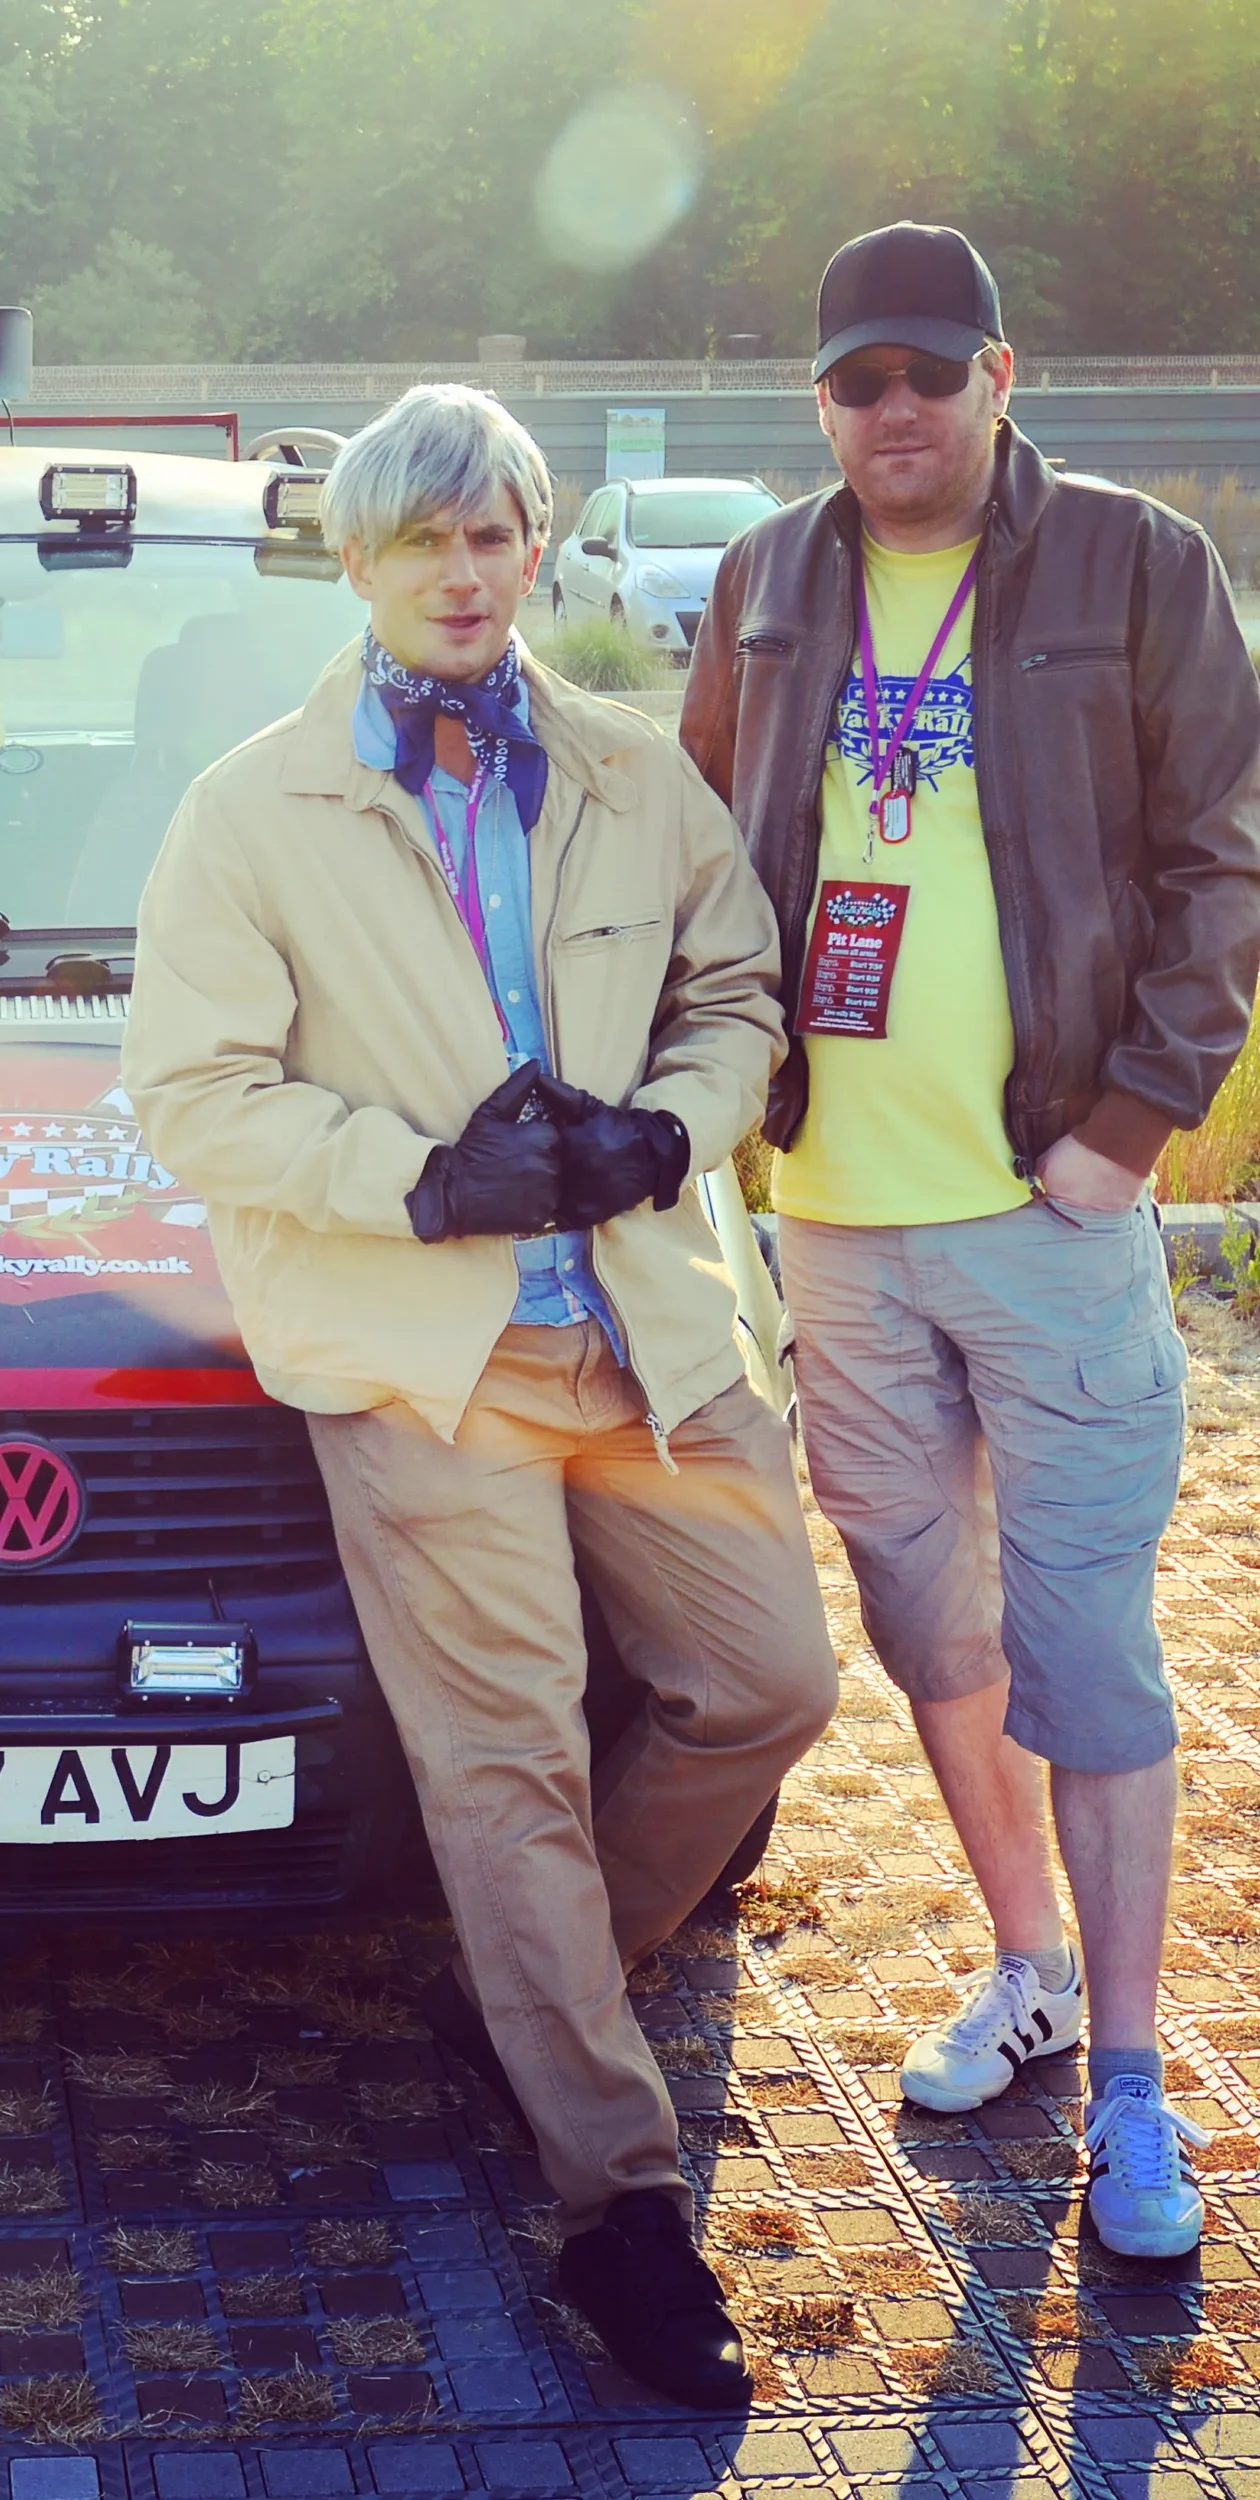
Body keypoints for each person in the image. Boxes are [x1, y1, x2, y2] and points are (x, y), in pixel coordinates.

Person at [123, 384, 837, 2409]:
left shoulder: (629, 769)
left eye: (488, 535)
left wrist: (666, 1133)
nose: (455, 572)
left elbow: (734, 994)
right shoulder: (247, 807)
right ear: (353, 564)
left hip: (646, 1330)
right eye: (414, 541)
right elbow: (187, 1089)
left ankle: (538, 1996)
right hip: (419, 1357)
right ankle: (617, 2203)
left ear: (532, 547)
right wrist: (412, 1177)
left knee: (770, 1683)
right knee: (504, 1764)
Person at [684, 223, 1260, 2260]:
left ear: (998, 373)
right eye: (855, 379)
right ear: (818, 399)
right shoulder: (764, 579)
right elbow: (691, 847)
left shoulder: (1127, 563)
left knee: (1086, 1656)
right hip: (832, 1219)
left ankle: (1126, 2077)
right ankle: (1017, 1963)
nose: (892, 409)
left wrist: (1125, 1126)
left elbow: (1222, 853)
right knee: (930, 1637)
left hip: (1041, 1205)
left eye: (928, 369)